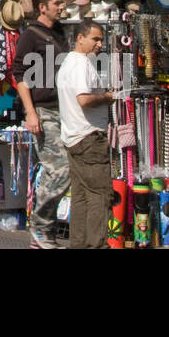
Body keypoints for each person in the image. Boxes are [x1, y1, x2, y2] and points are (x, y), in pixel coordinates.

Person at [15, 0, 70, 248]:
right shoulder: (30, 36)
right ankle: (40, 226)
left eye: (61, 2)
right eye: (57, 3)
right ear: (42, 6)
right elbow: (20, 77)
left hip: (65, 110)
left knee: (64, 170)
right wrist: (30, 112)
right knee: (59, 169)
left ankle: (44, 231)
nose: (61, 6)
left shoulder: (59, 32)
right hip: (43, 110)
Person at [56, 17, 114, 248]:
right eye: (95, 39)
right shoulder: (80, 64)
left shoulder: (70, 63)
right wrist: (107, 97)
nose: (99, 44)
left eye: (101, 39)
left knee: (81, 196)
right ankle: (96, 245)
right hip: (88, 138)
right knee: (100, 195)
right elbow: (84, 99)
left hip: (74, 138)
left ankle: (78, 244)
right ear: (80, 38)